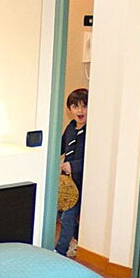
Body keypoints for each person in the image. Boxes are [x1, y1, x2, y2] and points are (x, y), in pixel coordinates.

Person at [55, 88, 87, 257]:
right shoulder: (71, 127)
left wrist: (73, 166)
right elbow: (59, 147)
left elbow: (94, 159)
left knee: (68, 216)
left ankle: (60, 251)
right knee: (62, 214)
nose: (80, 110)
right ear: (70, 109)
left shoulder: (91, 131)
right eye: (75, 106)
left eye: (84, 106)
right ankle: (76, 239)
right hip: (67, 182)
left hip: (81, 180)